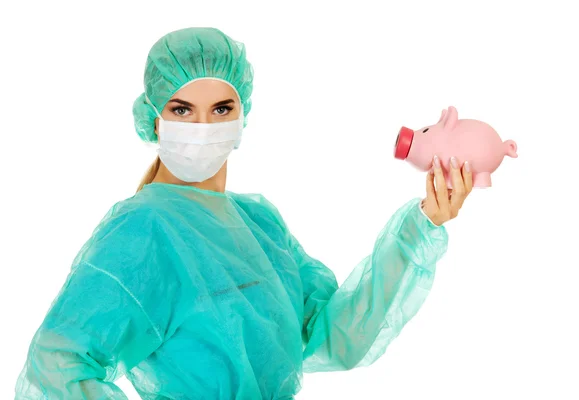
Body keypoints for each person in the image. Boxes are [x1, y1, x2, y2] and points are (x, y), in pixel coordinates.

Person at [15, 27, 473, 399]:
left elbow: (335, 334)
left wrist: (423, 224)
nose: (203, 128)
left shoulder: (259, 225)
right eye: (182, 109)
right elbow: (57, 364)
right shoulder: (142, 230)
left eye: (220, 109)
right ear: (155, 120)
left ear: (242, 117)